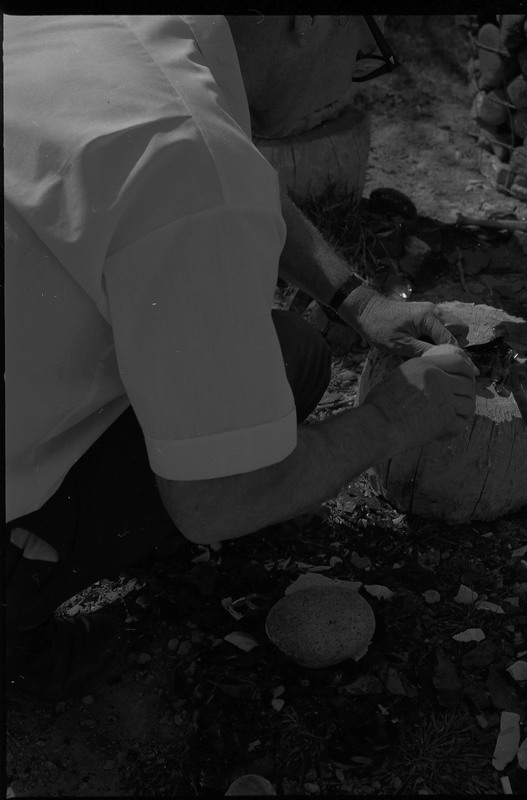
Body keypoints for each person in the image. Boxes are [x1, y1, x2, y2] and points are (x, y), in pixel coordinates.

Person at [4, 14, 477, 705]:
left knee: (292, 355)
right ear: (309, 22)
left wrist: (356, 300)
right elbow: (212, 503)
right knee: (244, 438)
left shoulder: (122, 35)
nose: (357, 72)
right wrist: (389, 421)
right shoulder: (181, 154)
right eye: (365, 43)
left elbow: (230, 172)